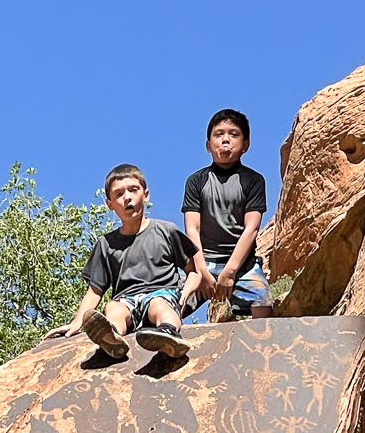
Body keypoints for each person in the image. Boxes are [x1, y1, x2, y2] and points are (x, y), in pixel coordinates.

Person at [55, 164, 201, 365]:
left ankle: (168, 333)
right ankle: (112, 338)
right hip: (126, 300)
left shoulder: (166, 231)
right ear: (110, 204)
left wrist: (184, 293)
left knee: (159, 306)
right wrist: (77, 321)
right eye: (119, 194)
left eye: (133, 190)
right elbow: (95, 290)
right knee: (113, 308)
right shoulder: (106, 244)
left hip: (161, 292)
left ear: (146, 195)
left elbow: (193, 271)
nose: (127, 198)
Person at [181, 109, 273, 321]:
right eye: (218, 134)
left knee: (263, 303)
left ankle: (261, 342)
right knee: (170, 301)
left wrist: (230, 271)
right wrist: (201, 270)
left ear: (245, 145)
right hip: (203, 261)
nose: (225, 140)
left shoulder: (253, 181)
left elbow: (251, 229)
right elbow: (192, 229)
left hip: (242, 264)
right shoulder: (196, 181)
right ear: (208, 145)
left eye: (233, 134)